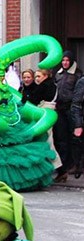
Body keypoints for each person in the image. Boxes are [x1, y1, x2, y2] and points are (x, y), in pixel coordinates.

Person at [53, 50, 82, 182]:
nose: (65, 63)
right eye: (63, 60)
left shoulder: (77, 74)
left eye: (67, 60)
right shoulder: (58, 74)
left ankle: (76, 164)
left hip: (72, 108)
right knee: (61, 137)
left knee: (75, 138)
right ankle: (63, 165)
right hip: (60, 108)